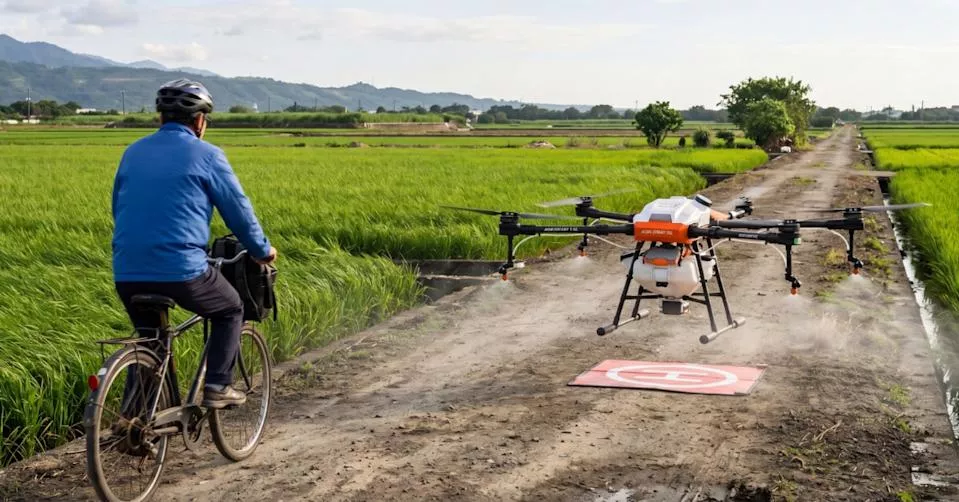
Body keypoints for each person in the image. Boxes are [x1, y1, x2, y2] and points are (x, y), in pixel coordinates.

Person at [111, 79, 277, 409]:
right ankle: (217, 386)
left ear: (161, 118)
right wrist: (262, 251)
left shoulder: (133, 152)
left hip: (127, 270)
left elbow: (119, 206)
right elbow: (238, 211)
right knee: (231, 308)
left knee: (151, 339)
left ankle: (135, 419)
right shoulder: (208, 155)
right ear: (200, 121)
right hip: (181, 269)